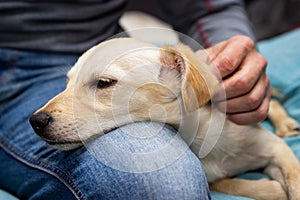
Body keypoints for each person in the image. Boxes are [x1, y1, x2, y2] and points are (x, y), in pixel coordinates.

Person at [0, 0, 269, 199]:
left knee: (166, 182)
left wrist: (232, 63)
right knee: (160, 182)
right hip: (15, 78)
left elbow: (208, 9)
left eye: (104, 85)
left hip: (102, 50)